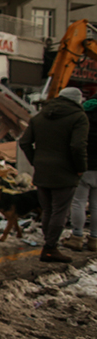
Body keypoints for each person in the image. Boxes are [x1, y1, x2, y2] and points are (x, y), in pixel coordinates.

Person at [20, 87, 89, 262]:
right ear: (77, 100)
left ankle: (49, 244)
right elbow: (77, 146)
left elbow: (25, 142)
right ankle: (50, 248)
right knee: (61, 210)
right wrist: (80, 167)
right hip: (65, 171)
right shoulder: (78, 117)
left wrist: (36, 161)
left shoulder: (40, 117)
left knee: (48, 210)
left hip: (42, 171)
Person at [64, 95, 97, 252]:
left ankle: (77, 237)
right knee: (96, 206)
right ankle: (94, 239)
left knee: (79, 202)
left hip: (84, 166)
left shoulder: (82, 117)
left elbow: (76, 144)